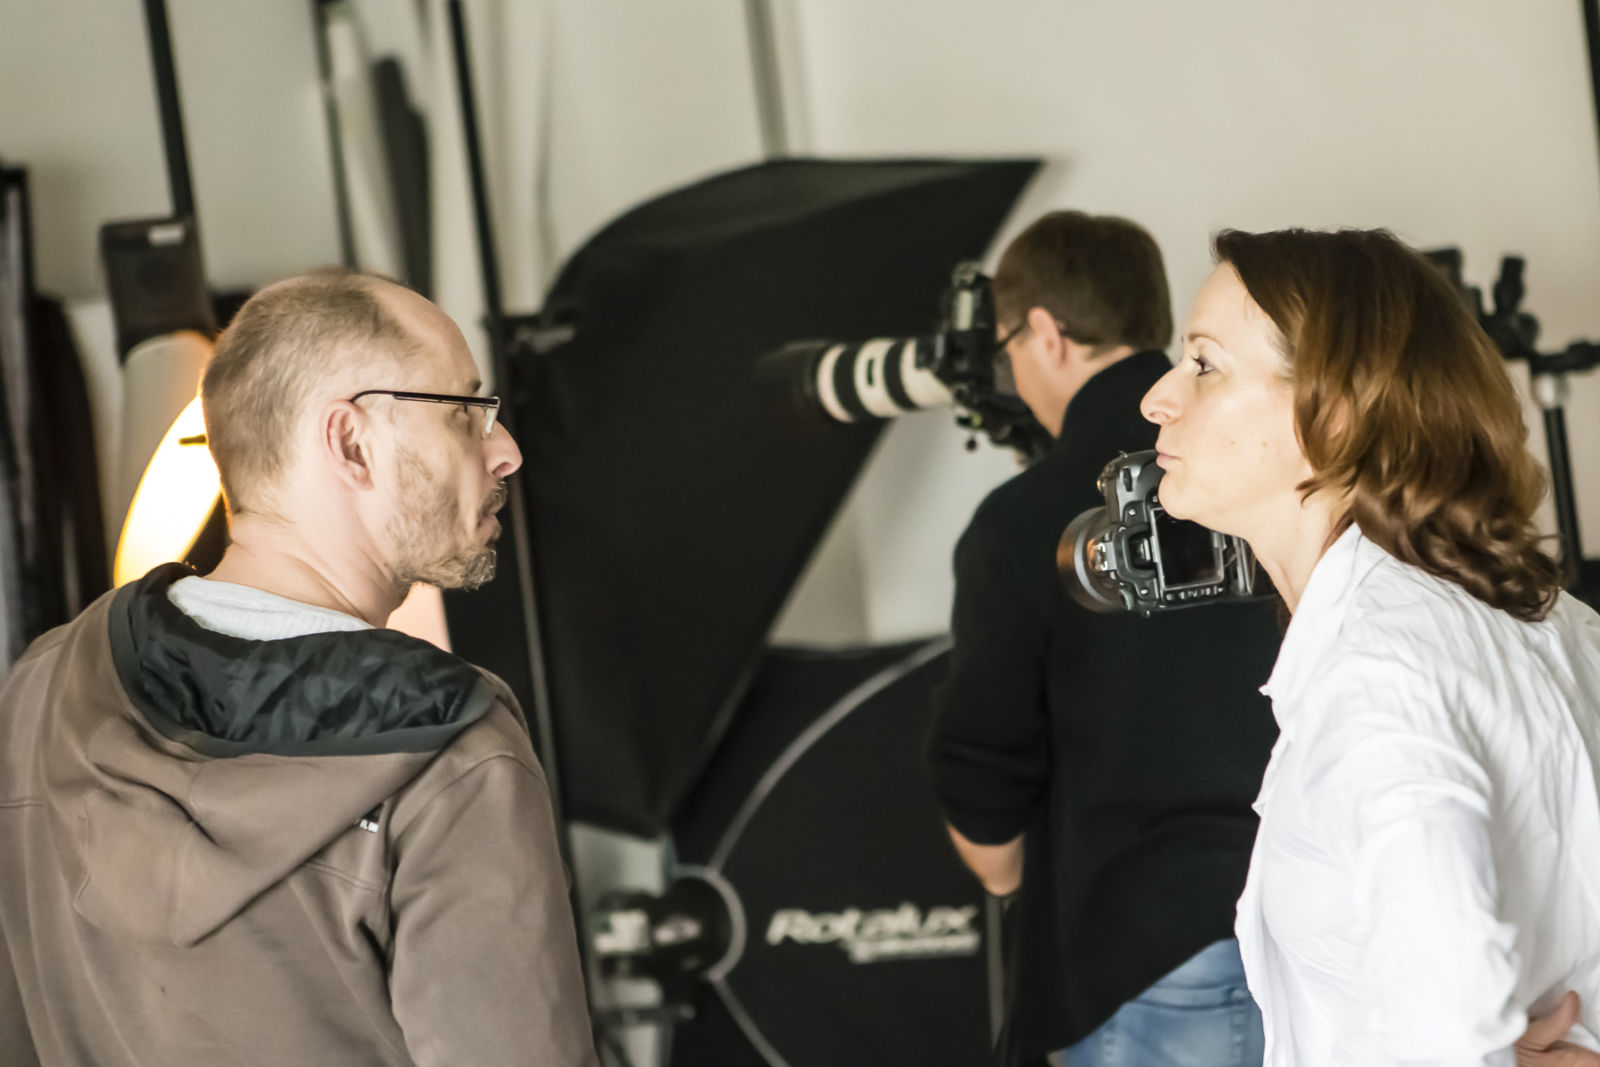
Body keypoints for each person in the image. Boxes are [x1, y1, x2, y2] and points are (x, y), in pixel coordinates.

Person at [0, 270, 599, 1066]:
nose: (506, 450)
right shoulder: (449, 749)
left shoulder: (44, 686)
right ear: (350, 442)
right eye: (464, 411)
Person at [1139, 226, 1600, 1066]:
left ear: (1336, 412)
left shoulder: (1378, 667)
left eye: (1204, 364)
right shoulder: (1553, 620)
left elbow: (1445, 1018)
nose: (1157, 398)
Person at [926, 210, 1284, 1066]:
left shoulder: (1019, 522)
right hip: (1308, 921)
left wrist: (1010, 869)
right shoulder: (1265, 467)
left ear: (1046, 335)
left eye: (1009, 348)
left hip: (1146, 956)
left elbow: (982, 777)